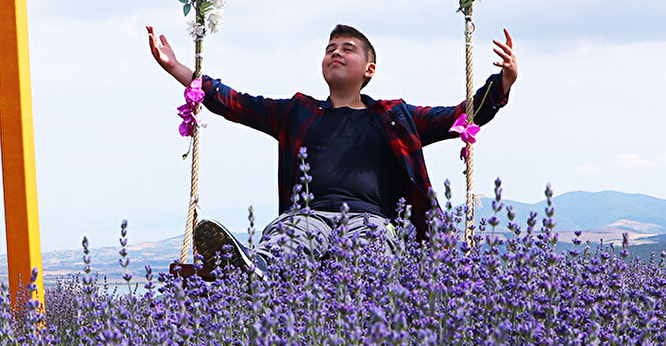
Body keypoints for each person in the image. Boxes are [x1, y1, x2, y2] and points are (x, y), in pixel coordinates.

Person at [146, 22, 519, 276]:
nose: (335, 53)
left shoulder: (397, 116)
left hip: (370, 220)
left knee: (367, 261)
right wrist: (177, 67)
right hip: (309, 214)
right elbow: (235, 102)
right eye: (329, 49)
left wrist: (501, 84)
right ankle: (253, 275)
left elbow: (462, 115)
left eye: (347, 48)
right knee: (286, 245)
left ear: (369, 68)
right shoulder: (297, 113)